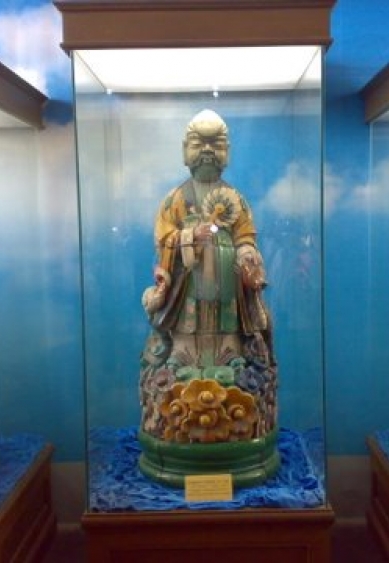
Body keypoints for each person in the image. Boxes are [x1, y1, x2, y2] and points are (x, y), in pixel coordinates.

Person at [139, 109, 277, 444]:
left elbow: (246, 236)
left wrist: (246, 254)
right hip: (187, 283)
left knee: (229, 327)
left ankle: (231, 359)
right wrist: (188, 237)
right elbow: (162, 238)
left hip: (228, 286)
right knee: (187, 327)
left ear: (227, 150)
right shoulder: (175, 199)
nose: (207, 151)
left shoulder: (236, 199)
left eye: (216, 144)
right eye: (199, 143)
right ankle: (181, 361)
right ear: (184, 149)